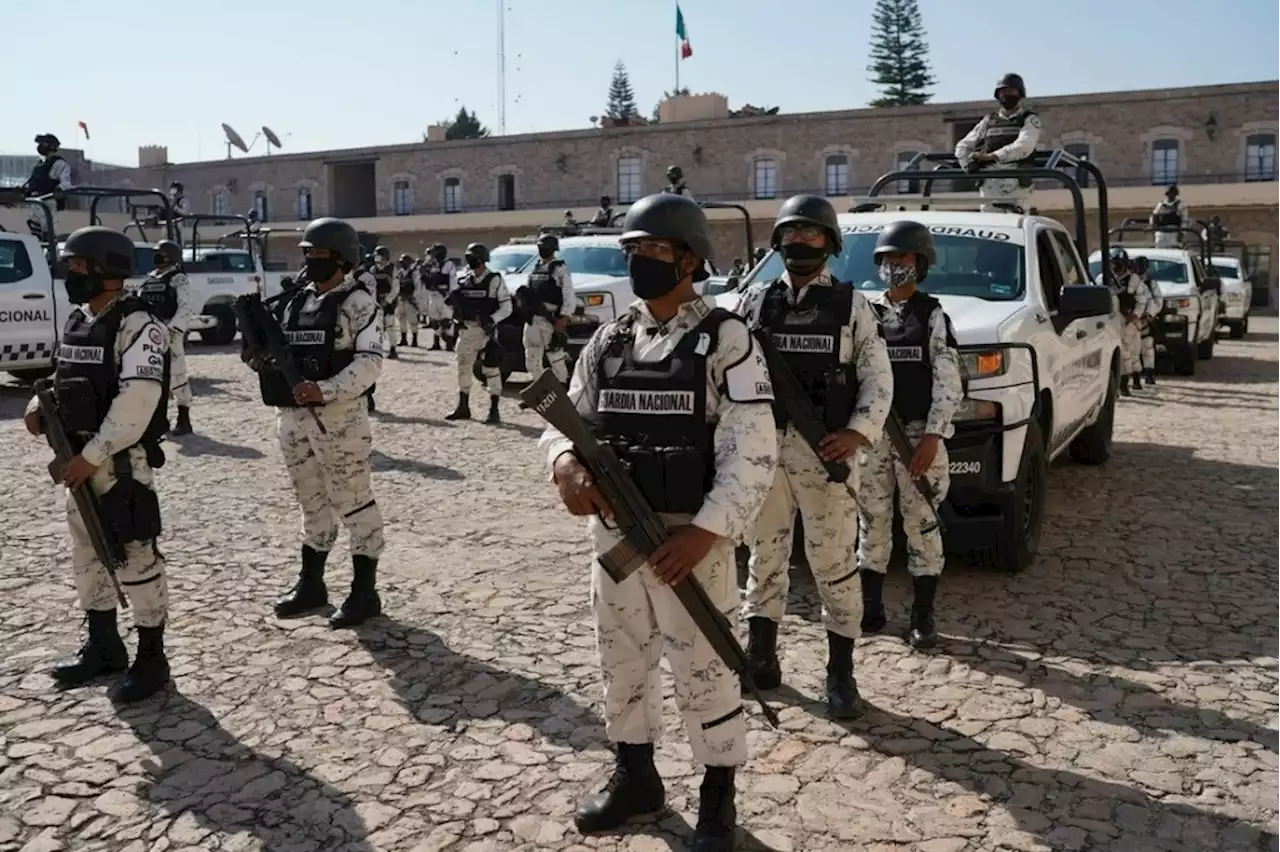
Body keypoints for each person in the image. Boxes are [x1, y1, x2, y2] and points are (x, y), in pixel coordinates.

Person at [538, 192, 777, 850]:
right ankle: (636, 776)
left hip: (690, 540)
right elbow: (571, 418)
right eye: (633, 251)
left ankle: (718, 797)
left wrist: (706, 533)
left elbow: (753, 449)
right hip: (616, 537)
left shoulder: (727, 340)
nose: (640, 260)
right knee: (623, 661)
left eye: (654, 250)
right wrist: (565, 464)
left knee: (705, 668)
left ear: (690, 260)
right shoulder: (612, 336)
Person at [734, 194, 893, 719]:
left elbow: (878, 381)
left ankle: (840, 673)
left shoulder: (853, 307)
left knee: (833, 564)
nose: (799, 242)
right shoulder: (751, 302)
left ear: (830, 243)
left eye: (811, 233)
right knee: (766, 557)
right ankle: (762, 659)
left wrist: (856, 434)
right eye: (791, 233)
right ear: (776, 241)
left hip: (825, 455)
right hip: (763, 456)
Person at [23, 226, 173, 703]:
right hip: (77, 459)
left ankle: (152, 656)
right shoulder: (79, 318)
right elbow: (62, 374)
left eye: (79, 266)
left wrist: (92, 457)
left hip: (116, 462)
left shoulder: (139, 325)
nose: (70, 273)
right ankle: (104, 645)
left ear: (108, 269)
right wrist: (36, 406)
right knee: (88, 555)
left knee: (134, 556)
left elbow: (138, 399)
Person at [252, 217, 386, 629]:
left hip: (339, 418)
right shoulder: (296, 299)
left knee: (351, 499)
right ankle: (312, 583)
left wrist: (325, 389)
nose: (310, 260)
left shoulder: (358, 302)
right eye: (306, 252)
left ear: (342, 258)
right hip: (292, 418)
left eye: (319, 253)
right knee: (310, 500)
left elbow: (370, 363)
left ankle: (365, 592)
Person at [858, 221, 963, 649]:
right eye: (887, 259)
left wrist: (933, 437)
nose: (894, 266)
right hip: (875, 435)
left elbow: (948, 380)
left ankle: (922, 616)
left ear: (919, 265)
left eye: (903, 259)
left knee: (922, 525)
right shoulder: (867, 313)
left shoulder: (932, 315)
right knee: (872, 522)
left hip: (919, 434)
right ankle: (871, 608)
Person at [954, 73, 1043, 212]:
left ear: (1020, 93)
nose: (1006, 94)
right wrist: (968, 165)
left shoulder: (1029, 119)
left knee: (1017, 225)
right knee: (990, 225)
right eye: (1002, 91)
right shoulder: (988, 121)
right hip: (989, 184)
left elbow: (1024, 146)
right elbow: (963, 146)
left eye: (1011, 91)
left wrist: (993, 156)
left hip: (1016, 184)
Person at [445, 243, 512, 424]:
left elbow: (507, 307)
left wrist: (492, 320)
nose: (469, 261)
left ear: (481, 260)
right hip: (468, 330)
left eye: (472, 258)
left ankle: (494, 408)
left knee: (490, 369)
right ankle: (463, 405)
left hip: (486, 331)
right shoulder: (465, 280)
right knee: (463, 367)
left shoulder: (494, 280)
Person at [136, 240, 196, 435]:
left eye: (160, 253)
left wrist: (173, 330)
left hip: (170, 333)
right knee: (151, 376)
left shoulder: (178, 279)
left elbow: (185, 306)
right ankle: (158, 420)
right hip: (149, 333)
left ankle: (184, 419)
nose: (156, 257)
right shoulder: (149, 278)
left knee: (176, 375)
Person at [517, 234, 575, 404]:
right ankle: (539, 392)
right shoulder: (536, 268)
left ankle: (563, 390)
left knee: (555, 355)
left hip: (550, 317)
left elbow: (568, 292)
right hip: (533, 318)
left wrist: (564, 316)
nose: (543, 250)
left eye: (546, 247)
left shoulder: (559, 268)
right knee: (531, 355)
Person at [1102, 247, 1149, 396]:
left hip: (1129, 320)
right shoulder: (1103, 278)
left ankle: (1125, 383)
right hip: (1111, 320)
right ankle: (1120, 383)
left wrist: (1135, 315)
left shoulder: (1133, 280)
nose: (1116, 268)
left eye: (1119, 265)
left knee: (1130, 352)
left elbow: (1142, 299)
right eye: (1114, 264)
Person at [420, 244, 457, 351]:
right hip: (433, 294)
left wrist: (451, 295)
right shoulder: (432, 264)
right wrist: (424, 274)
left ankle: (449, 344)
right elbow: (429, 280)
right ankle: (436, 343)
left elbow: (452, 280)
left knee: (447, 320)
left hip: (444, 295)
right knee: (435, 320)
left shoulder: (448, 264)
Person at [1133, 255, 1160, 386]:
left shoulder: (1151, 283)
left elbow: (1158, 301)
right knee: (1133, 350)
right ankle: (1136, 378)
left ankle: (1149, 374)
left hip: (1146, 320)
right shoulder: (1131, 282)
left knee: (1147, 348)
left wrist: (1149, 314)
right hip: (1132, 320)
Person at [369, 246, 399, 360]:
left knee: (390, 325)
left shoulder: (392, 269)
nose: (377, 259)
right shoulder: (373, 269)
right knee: (377, 327)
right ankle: (378, 349)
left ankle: (393, 349)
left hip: (388, 302)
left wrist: (387, 301)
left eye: (379, 256)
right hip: (376, 301)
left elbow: (396, 288)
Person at [395, 252, 423, 348]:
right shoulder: (399, 273)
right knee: (401, 319)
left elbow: (418, 287)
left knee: (413, 320)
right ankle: (403, 339)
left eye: (405, 262)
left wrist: (413, 297)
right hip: (401, 299)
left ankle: (414, 340)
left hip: (410, 299)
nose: (403, 264)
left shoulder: (414, 273)